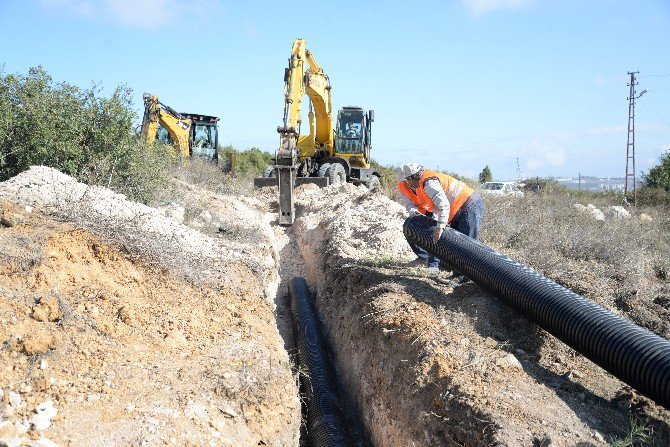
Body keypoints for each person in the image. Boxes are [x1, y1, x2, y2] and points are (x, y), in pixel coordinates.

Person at [397, 162, 484, 281]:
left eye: (407, 180)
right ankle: (458, 276)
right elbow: (427, 205)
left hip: (469, 206)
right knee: (456, 244)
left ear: (411, 177)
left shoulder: (429, 183)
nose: (406, 183)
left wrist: (440, 227)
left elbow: (444, 205)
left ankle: (466, 280)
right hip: (456, 211)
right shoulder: (416, 185)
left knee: (467, 245)